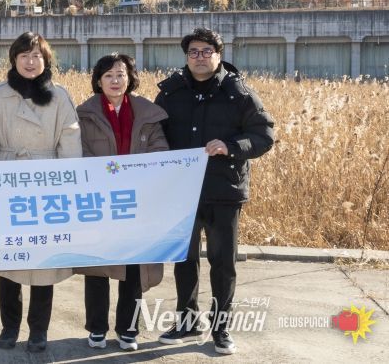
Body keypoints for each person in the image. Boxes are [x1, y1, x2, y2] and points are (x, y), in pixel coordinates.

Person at [154, 27, 274, 355]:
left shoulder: (238, 92)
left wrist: (231, 146)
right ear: (186, 56)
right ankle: (187, 320)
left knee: (223, 263)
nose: (200, 57)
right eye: (193, 52)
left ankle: (221, 328)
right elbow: (155, 134)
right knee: (184, 259)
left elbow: (264, 135)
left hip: (224, 190)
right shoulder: (171, 92)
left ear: (218, 55)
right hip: (182, 192)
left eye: (207, 51)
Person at [0, 31, 82, 353]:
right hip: (7, 183)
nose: (30, 61)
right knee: (9, 261)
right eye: (23, 55)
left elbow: (69, 142)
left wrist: (63, 185)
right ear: (13, 59)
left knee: (43, 263)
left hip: (47, 187)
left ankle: (39, 329)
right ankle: (9, 326)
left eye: (36, 55)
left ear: (46, 60)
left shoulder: (60, 96)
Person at [74, 53, 169, 351]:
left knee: (133, 266)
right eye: (108, 76)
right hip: (99, 200)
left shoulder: (147, 113)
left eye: (121, 75)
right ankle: (97, 328)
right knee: (98, 267)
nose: (115, 81)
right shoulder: (85, 114)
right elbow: (79, 153)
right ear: (98, 81)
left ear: (130, 78)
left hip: (137, 201)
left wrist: (136, 175)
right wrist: (106, 176)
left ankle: (128, 330)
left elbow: (160, 151)